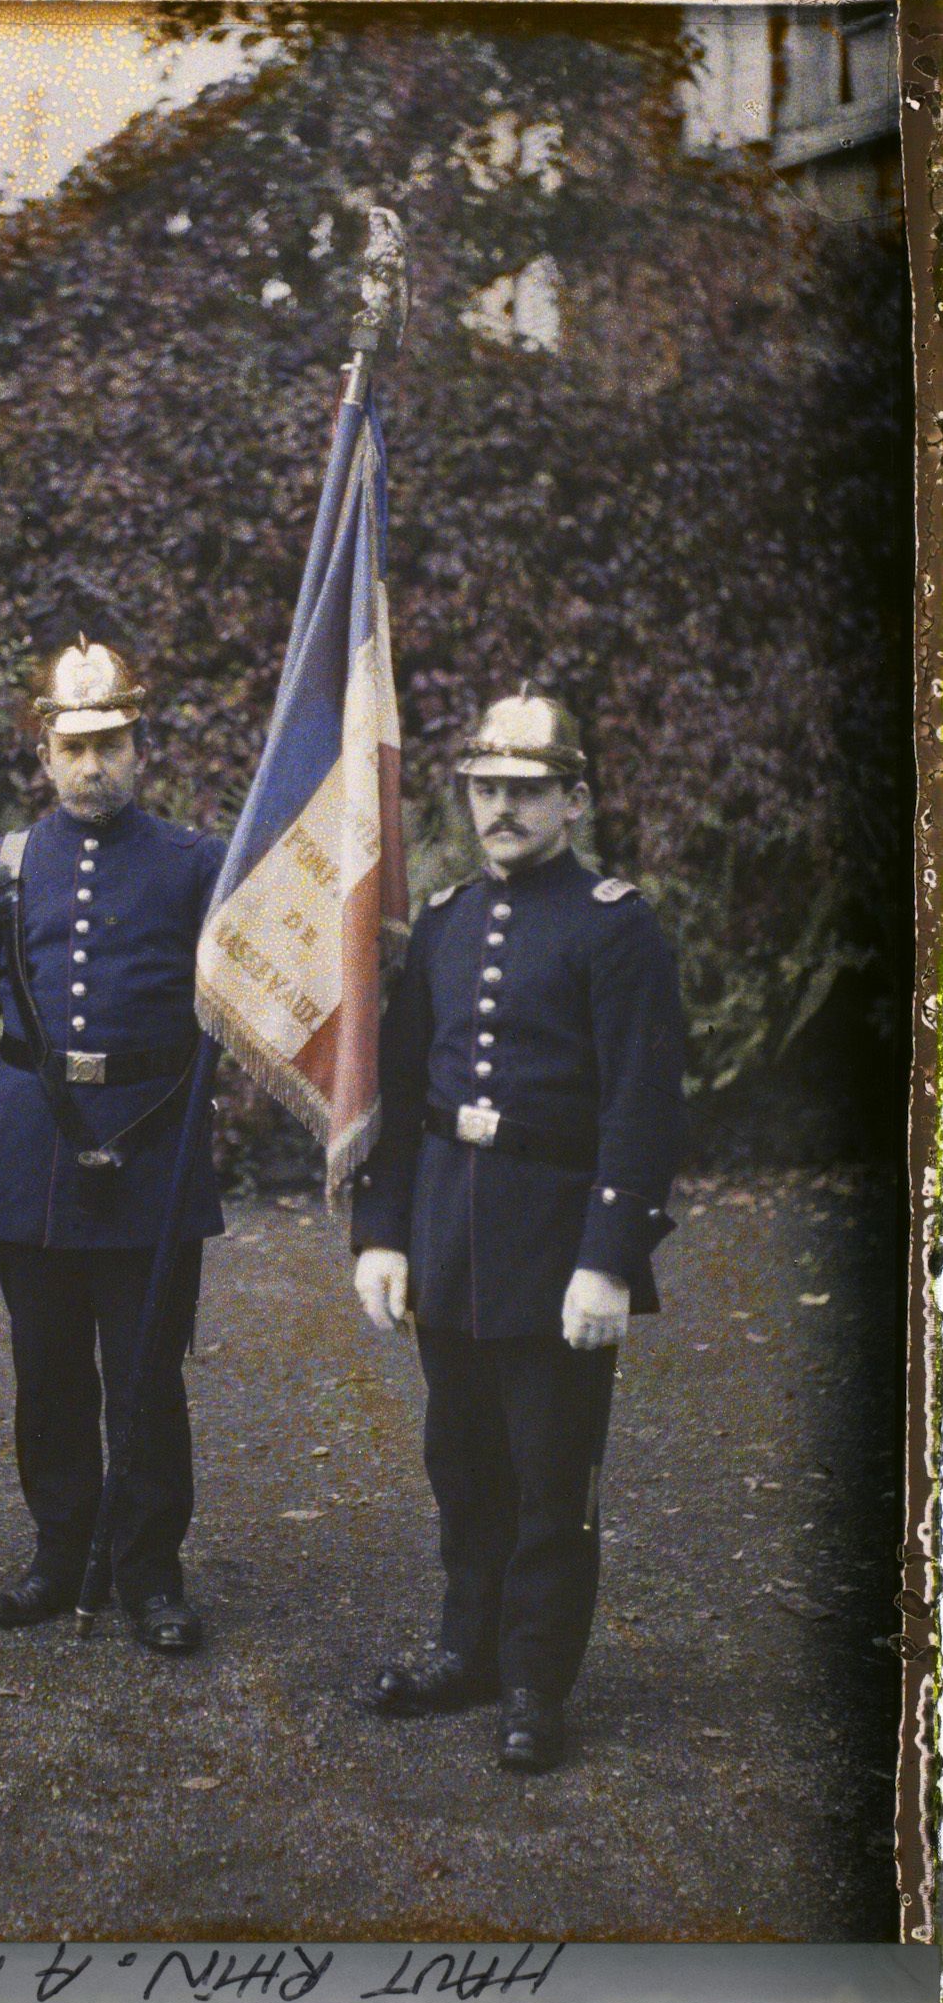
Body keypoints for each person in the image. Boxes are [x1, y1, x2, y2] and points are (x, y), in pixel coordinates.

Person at [350, 687, 685, 1772]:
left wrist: (608, 1257)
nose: (501, 808)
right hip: (450, 1230)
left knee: (549, 1475)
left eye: (525, 790)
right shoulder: (445, 921)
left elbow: (642, 1106)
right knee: (462, 1459)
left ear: (572, 800)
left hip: (556, 1240)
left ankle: (535, 1679)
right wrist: (382, 1232)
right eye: (486, 788)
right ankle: (467, 1649)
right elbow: (399, 1095)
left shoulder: (614, 926)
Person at [0, 637, 226, 1655]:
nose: (92, 763)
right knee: (46, 1367)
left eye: (111, 742)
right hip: (32, 1145)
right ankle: (58, 1555)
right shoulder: (3, 864)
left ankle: (148, 1572)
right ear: (43, 752)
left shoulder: (195, 863)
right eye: (73, 744)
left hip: (150, 1143)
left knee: (147, 1373)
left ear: (139, 746)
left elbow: (230, 1008)